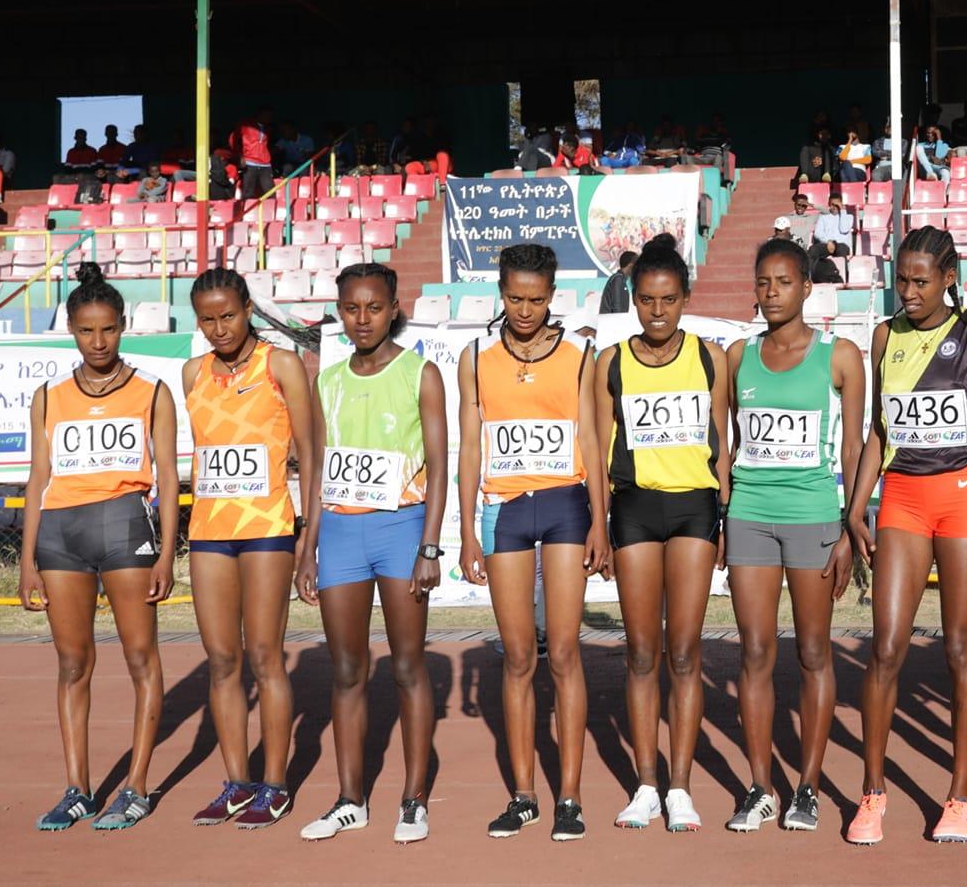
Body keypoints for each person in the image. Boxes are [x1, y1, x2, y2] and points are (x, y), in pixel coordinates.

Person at [844, 227, 967, 844]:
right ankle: (873, 794)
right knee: (886, 646)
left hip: (965, 494)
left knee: (959, 648)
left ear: (949, 278)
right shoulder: (885, 334)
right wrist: (854, 509)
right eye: (902, 280)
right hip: (905, 500)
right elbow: (877, 432)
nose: (909, 291)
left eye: (921, 280)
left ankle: (961, 797)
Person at [17, 262, 180, 831]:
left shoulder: (152, 391)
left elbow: (167, 474)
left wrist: (166, 554)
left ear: (123, 325)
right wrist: (27, 562)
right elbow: (39, 479)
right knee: (72, 663)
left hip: (125, 531)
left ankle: (136, 785)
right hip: (61, 537)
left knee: (140, 658)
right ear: (71, 328)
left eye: (108, 329)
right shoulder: (48, 396)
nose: (98, 341)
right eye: (87, 331)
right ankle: (77, 788)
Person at [458, 245, 609, 842]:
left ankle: (569, 796)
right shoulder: (475, 358)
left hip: (567, 505)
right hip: (505, 513)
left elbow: (592, 440)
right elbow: (471, 446)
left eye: (537, 299)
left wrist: (601, 520)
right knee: (519, 657)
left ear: (553, 296)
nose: (526, 310)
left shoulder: (579, 356)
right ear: (501, 293)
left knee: (566, 653)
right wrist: (467, 528)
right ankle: (523, 796)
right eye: (516, 298)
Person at [298, 262, 449, 844]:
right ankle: (349, 799)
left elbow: (438, 466)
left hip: (400, 529)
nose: (362, 319)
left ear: (393, 310)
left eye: (374, 308)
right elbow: (316, 469)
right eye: (351, 309)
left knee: (409, 665)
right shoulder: (327, 380)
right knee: (346, 670)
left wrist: (429, 546)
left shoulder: (421, 374)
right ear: (340, 313)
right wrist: (307, 544)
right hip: (339, 533)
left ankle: (413, 799)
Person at [722, 239, 865, 833]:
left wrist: (851, 527)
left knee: (812, 652)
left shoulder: (841, 356)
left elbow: (854, 448)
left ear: (807, 287)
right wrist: (726, 504)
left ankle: (806, 785)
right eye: (762, 282)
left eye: (782, 281)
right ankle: (760, 787)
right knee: (754, 652)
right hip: (750, 512)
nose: (771, 292)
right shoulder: (737, 356)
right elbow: (724, 440)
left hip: (814, 516)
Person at [592, 235, 728, 832]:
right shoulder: (611, 362)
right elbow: (597, 451)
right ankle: (645, 784)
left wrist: (722, 511)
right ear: (633, 300)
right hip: (636, 511)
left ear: (685, 298)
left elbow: (723, 442)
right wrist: (600, 524)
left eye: (668, 300)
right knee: (642, 652)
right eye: (646, 300)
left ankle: (681, 787)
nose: (656, 311)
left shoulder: (709, 357)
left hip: (695, 510)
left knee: (684, 652)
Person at [183, 270, 317, 830]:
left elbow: (311, 452)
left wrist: (308, 535)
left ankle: (276, 784)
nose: (220, 328)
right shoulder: (192, 372)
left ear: (248, 312)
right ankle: (236, 782)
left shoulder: (280, 364)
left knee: (265, 656)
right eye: (208, 319)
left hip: (267, 526)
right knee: (221, 660)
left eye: (229, 315)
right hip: (210, 530)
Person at [808, 195, 853, 282]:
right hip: (827, 243)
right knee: (813, 250)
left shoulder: (849, 216)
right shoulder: (823, 216)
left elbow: (844, 229)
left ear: (841, 204)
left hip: (841, 245)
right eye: (832, 204)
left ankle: (843, 278)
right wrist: (828, 241)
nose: (834, 207)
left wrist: (842, 211)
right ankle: (810, 277)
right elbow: (818, 233)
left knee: (842, 251)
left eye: (836, 205)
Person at [599, 250, 636, 315]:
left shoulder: (621, 279)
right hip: (611, 321)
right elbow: (617, 305)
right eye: (636, 265)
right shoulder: (617, 279)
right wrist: (619, 322)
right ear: (631, 265)